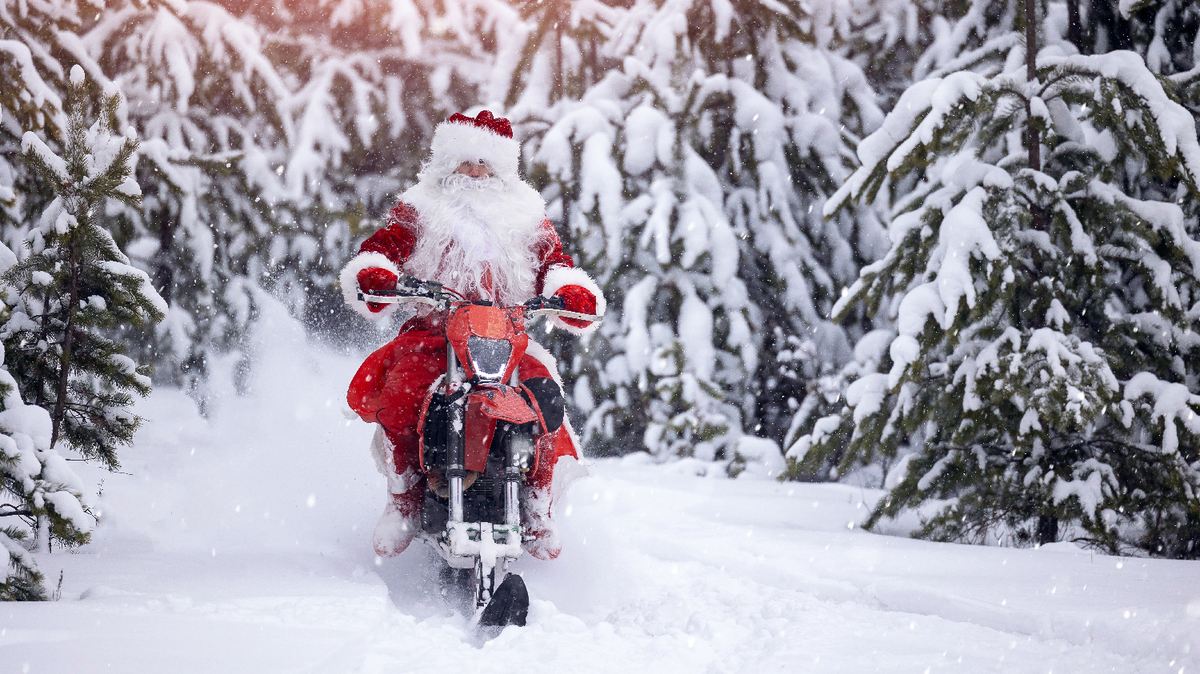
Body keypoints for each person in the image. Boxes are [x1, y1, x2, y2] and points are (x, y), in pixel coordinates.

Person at [340, 110, 603, 561]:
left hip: (507, 337)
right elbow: (385, 246)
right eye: (466, 163)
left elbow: (554, 262)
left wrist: (568, 290)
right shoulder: (420, 209)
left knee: (544, 395)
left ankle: (538, 504)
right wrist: (377, 273)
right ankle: (404, 495)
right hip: (434, 337)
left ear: (502, 169)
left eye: (486, 164)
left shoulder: (526, 216)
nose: (476, 173)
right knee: (403, 391)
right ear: (448, 164)